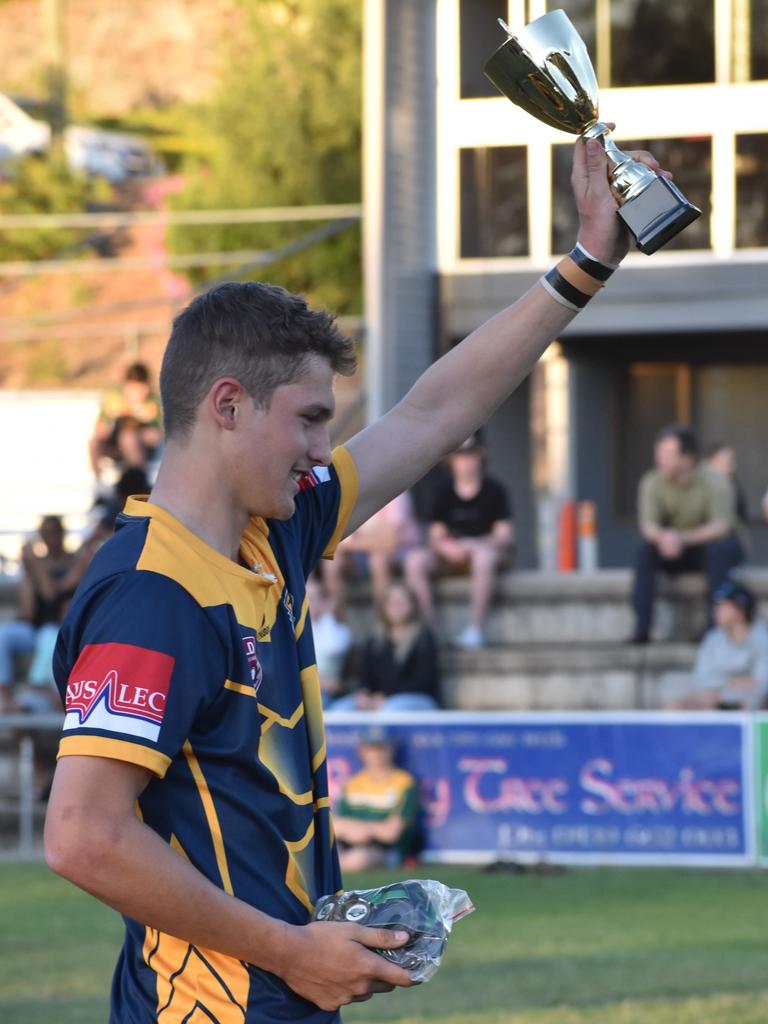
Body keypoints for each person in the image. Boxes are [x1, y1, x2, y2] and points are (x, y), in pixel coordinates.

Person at [44, 135, 668, 1022]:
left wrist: (587, 262)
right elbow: (82, 837)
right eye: (305, 421)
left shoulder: (274, 533)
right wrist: (292, 951)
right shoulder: (154, 593)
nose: (316, 451)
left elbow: (433, 409)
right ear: (226, 405)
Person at [629, 424, 743, 644]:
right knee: (645, 551)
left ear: (686, 458)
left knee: (718, 550)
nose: (659, 459)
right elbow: (648, 526)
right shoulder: (652, 481)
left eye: (666, 454)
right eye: (658, 452)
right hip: (673, 548)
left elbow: (722, 526)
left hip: (711, 546)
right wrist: (665, 539)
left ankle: (713, 628)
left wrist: (682, 538)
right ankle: (642, 627)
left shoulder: (714, 480)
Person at [404, 431, 513, 648]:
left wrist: (476, 544)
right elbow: (435, 536)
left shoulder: (494, 490)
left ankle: (476, 630)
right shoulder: (443, 492)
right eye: (461, 456)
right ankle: (431, 631)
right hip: (451, 556)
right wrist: (447, 548)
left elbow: (505, 536)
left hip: (483, 555)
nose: (466, 463)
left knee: (484, 557)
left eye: (471, 455)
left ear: (481, 457)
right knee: (414, 561)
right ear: (451, 460)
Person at [0, 516, 91, 712]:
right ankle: (5, 697)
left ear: (62, 534)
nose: (50, 538)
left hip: (58, 627)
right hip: (34, 626)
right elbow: (27, 611)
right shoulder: (35, 564)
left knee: (49, 636)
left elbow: (53, 594)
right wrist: (30, 570)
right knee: (3, 634)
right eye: (46, 534)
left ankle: (41, 689)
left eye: (54, 533)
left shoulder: (75, 562)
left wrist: (35, 568)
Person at [331, 582, 440, 712]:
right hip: (380, 699)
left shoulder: (423, 638)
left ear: (413, 605)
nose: (397, 607)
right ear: (384, 607)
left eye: (402, 602)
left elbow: (423, 681)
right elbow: (365, 676)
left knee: (389, 709)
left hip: (418, 698)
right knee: (340, 709)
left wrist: (387, 695)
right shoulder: (375, 639)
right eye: (393, 602)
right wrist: (365, 694)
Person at [668, 580, 768, 710]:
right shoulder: (713, 638)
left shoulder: (762, 637)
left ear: (740, 609)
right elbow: (702, 679)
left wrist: (725, 691)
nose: (716, 610)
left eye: (723, 605)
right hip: (717, 701)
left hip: (753, 705)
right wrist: (732, 684)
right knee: (675, 706)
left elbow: (762, 684)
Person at [333, 726, 420, 872]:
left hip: (386, 850)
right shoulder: (353, 783)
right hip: (349, 844)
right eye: (372, 748)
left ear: (391, 749)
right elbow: (336, 826)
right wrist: (365, 830)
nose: (377, 754)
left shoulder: (404, 782)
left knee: (358, 860)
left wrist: (364, 830)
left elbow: (392, 833)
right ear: (362, 752)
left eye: (382, 748)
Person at [321, 491, 420, 615]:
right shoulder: (354, 491)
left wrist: (347, 544)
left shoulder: (395, 491)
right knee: (331, 561)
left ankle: (384, 620)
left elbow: (390, 541)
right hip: (362, 553)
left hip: (401, 551)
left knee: (378, 559)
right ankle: (336, 623)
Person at [88, 361, 162, 481]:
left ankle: (138, 483)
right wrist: (109, 424)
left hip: (142, 450)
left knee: (128, 438)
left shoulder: (152, 403)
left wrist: (139, 420)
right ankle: (99, 483)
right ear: (126, 385)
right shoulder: (115, 401)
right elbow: (100, 427)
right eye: (133, 387)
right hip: (117, 448)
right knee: (94, 442)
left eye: (141, 388)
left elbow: (158, 434)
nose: (137, 392)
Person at [305, 573, 352, 708]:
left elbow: (331, 648)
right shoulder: (291, 630)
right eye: (305, 597)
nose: (308, 603)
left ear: (325, 602)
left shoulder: (339, 630)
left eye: (313, 598)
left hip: (328, 693)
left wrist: (328, 613)